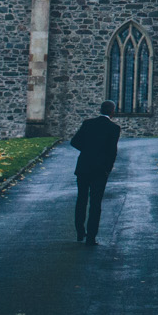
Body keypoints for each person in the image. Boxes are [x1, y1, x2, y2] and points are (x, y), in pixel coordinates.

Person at [70, 100, 121, 244]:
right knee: (95, 203)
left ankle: (80, 232)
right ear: (112, 111)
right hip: (100, 170)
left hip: (83, 166)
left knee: (81, 200)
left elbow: (74, 142)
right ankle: (91, 237)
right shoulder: (114, 128)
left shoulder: (88, 123)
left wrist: (87, 150)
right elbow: (112, 152)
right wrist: (107, 169)